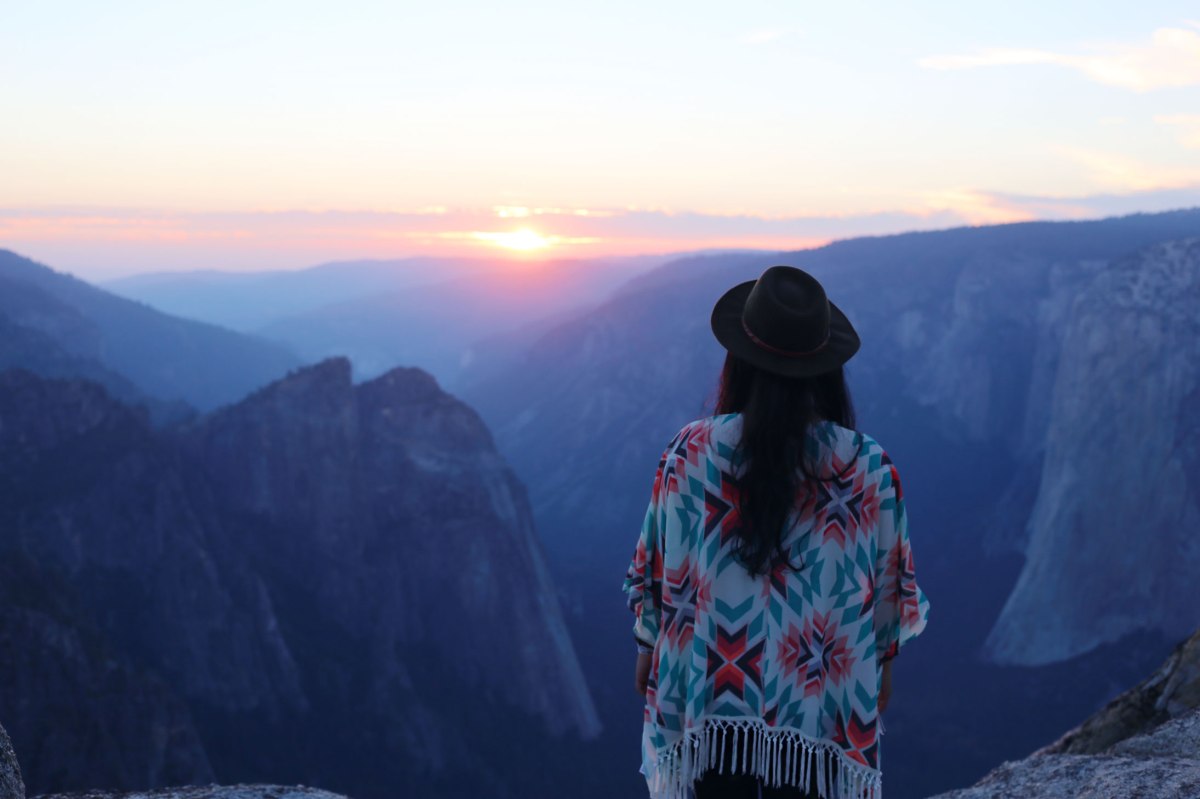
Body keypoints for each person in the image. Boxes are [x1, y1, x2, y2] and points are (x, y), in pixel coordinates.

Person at [622, 265, 931, 799]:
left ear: (738, 359)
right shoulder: (868, 467)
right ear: (825, 367)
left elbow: (655, 570)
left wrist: (650, 646)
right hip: (817, 709)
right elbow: (888, 592)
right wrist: (878, 665)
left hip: (710, 703)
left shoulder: (688, 454)